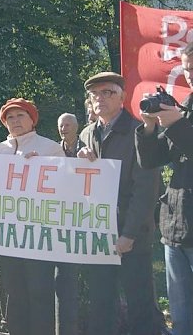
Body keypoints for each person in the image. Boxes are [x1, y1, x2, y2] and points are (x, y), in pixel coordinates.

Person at [77, 72, 160, 335]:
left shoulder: (139, 132)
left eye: (107, 92)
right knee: (100, 304)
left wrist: (129, 234)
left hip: (130, 236)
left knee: (140, 307)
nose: (100, 98)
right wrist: (76, 158)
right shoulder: (87, 134)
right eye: (95, 94)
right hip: (99, 235)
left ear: (123, 97)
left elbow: (146, 190)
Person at [0, 98, 67, 335]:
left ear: (32, 119)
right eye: (10, 117)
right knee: (13, 293)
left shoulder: (51, 148)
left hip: (38, 238)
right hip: (8, 238)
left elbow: (66, 188)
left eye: (20, 116)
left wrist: (40, 168)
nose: (15, 121)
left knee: (39, 293)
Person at [135, 44, 193, 335]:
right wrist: (149, 126)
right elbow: (151, 161)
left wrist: (176, 124)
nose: (191, 75)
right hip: (177, 226)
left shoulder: (182, 116)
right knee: (182, 316)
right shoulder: (186, 106)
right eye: (188, 69)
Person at [54, 113, 81, 335]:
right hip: (61, 222)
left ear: (76, 127)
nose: (64, 128)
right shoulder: (52, 151)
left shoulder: (89, 146)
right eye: (61, 125)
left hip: (85, 219)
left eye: (68, 124)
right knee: (65, 281)